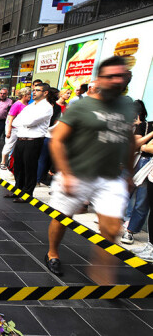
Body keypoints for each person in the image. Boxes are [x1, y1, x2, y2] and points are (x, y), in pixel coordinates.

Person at [46, 56, 135, 282]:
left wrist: (130, 175)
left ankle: (102, 273)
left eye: (121, 76)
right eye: (110, 76)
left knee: (113, 228)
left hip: (110, 177)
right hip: (77, 173)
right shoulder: (82, 106)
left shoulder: (127, 106)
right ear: (99, 79)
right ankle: (52, 252)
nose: (116, 80)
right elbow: (57, 139)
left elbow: (129, 141)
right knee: (61, 218)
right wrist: (65, 173)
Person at [7, 83, 53, 202]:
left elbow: (31, 122)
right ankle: (18, 190)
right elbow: (16, 121)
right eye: (34, 90)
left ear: (45, 93)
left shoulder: (47, 107)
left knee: (29, 167)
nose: (34, 92)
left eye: (37, 90)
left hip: (33, 140)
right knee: (18, 166)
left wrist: (25, 121)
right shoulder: (31, 106)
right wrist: (25, 121)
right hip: (21, 138)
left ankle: (27, 194)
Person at [121, 100, 153, 244]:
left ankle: (130, 230)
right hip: (142, 162)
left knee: (142, 202)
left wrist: (146, 147)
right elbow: (139, 145)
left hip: (147, 164)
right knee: (126, 193)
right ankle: (119, 220)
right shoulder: (146, 125)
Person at [36, 88, 62, 186]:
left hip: (41, 134)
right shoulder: (57, 107)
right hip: (49, 134)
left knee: (40, 158)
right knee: (44, 159)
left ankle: (37, 179)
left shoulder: (41, 105)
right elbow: (55, 122)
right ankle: (39, 178)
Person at [0, 87, 30, 170]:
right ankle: (3, 161)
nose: (29, 96)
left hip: (21, 128)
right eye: (28, 94)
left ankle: (11, 162)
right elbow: (10, 118)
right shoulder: (17, 104)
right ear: (23, 95)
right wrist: (9, 130)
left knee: (16, 146)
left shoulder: (26, 104)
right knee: (9, 144)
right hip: (13, 128)